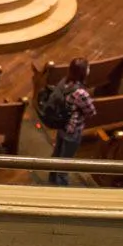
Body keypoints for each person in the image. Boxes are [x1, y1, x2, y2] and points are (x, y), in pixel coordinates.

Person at [48, 57, 95, 186]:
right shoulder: (81, 93)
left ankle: (51, 178)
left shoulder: (64, 82)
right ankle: (61, 186)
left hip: (61, 125)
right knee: (66, 160)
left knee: (57, 153)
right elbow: (91, 112)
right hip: (73, 129)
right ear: (84, 72)